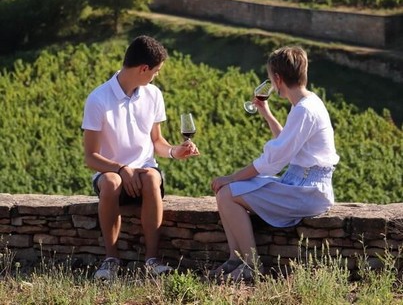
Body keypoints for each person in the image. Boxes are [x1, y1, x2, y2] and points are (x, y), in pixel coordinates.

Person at [210, 46, 339, 281]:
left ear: (277, 79)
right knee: (226, 193)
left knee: (228, 192)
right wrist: (267, 115)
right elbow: (286, 145)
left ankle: (251, 265)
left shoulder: (304, 111)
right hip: (301, 183)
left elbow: (274, 161)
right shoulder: (306, 103)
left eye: (270, 78)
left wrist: (230, 177)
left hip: (308, 191)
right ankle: (234, 258)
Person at [82, 35, 199, 280]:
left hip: (144, 173)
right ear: (144, 68)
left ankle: (151, 260)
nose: (156, 76)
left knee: (151, 178)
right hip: (111, 175)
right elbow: (91, 157)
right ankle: (111, 260)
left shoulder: (153, 95)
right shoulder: (98, 99)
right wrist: (121, 168)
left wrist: (175, 152)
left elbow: (157, 142)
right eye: (155, 71)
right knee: (112, 181)